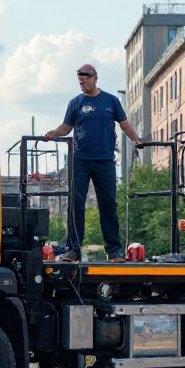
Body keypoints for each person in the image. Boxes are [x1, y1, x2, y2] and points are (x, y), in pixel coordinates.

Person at [43, 64, 143, 262]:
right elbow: (66, 127)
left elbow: (124, 124)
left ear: (95, 78)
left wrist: (136, 139)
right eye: (79, 81)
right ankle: (72, 249)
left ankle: (113, 251)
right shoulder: (75, 103)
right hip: (80, 159)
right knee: (76, 204)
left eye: (85, 80)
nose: (82, 84)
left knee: (108, 204)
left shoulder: (111, 101)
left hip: (105, 160)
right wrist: (51, 134)